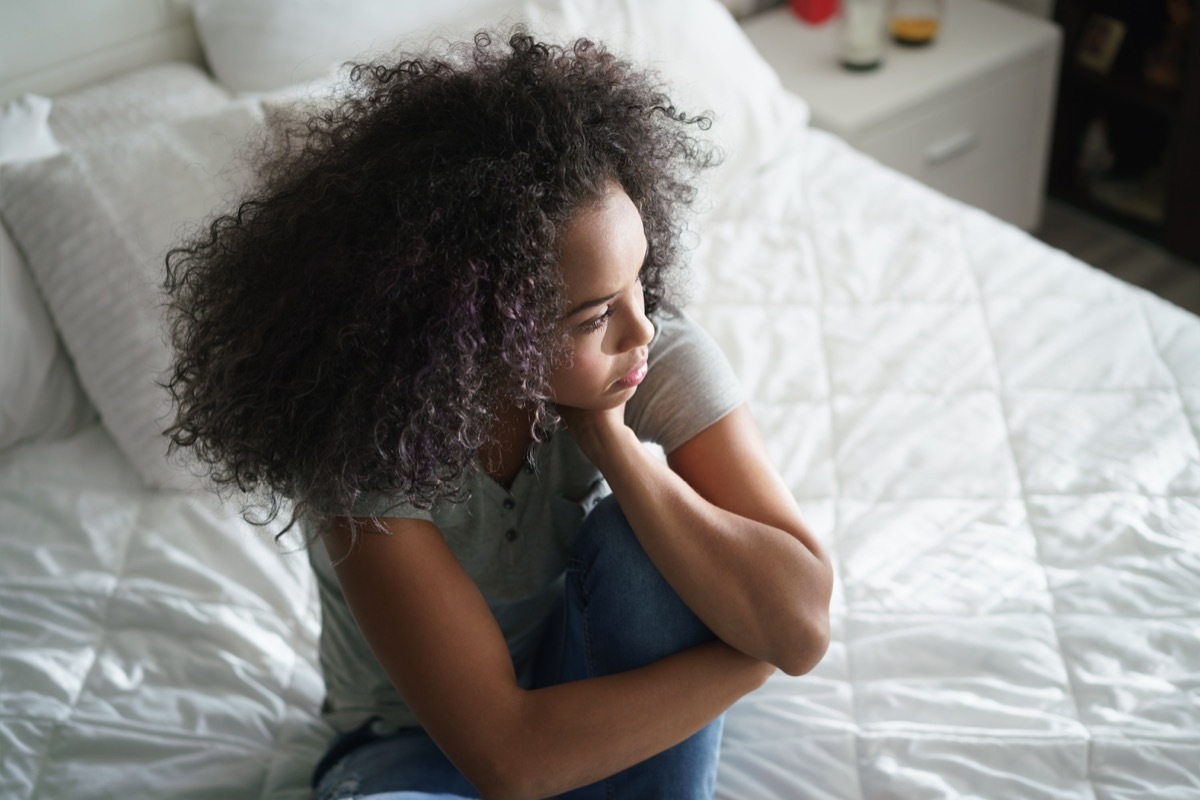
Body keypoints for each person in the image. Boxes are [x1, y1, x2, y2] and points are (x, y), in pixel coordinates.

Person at [163, 28, 832, 800]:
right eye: (593, 316)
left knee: (649, 541)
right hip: (410, 744)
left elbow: (801, 626)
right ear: (480, 331)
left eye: (640, 280)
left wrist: (610, 442)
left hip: (582, 681)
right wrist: (747, 661)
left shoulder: (643, 351)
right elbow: (510, 760)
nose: (641, 328)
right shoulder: (365, 449)